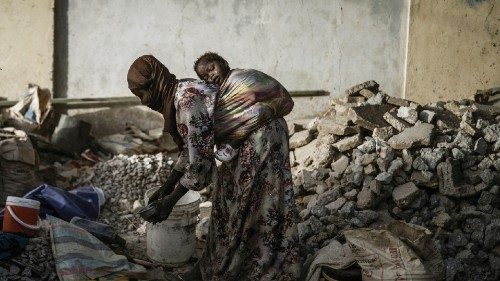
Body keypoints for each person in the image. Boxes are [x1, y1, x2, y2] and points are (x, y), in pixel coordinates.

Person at [128, 55, 301, 280]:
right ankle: (212, 268)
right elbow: (191, 149)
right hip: (248, 139)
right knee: (226, 204)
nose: (143, 101)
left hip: (261, 136)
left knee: (252, 204)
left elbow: (200, 163)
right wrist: (166, 187)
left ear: (156, 83)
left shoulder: (187, 101)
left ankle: (256, 267)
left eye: (143, 93)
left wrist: (169, 202)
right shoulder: (179, 92)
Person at [193, 52, 294, 162]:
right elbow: (218, 122)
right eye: (205, 77)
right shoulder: (216, 96)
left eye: (211, 68)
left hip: (268, 133)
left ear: (223, 63)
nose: (211, 75)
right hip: (240, 150)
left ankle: (234, 142)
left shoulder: (247, 77)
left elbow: (280, 96)